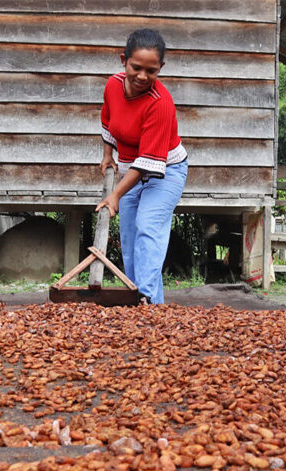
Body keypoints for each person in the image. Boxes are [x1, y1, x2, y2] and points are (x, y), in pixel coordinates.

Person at [96, 29, 187, 305]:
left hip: (166, 171)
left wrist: (115, 195)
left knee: (148, 228)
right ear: (124, 61)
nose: (143, 77)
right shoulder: (113, 85)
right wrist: (107, 155)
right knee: (130, 237)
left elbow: (147, 162)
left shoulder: (160, 104)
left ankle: (144, 301)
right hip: (129, 168)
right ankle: (143, 301)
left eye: (152, 70)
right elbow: (109, 119)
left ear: (161, 69)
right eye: (136, 67)